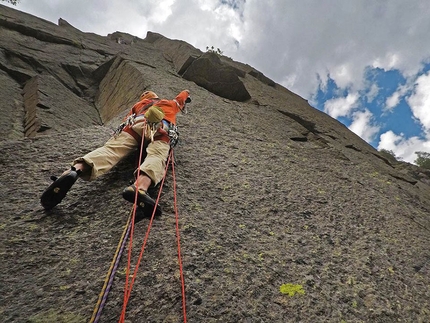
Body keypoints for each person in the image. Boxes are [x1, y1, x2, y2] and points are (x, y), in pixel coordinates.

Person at [40, 90, 191, 214]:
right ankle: (139, 188)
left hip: (134, 126)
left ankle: (73, 171)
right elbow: (180, 99)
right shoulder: (167, 103)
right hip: (159, 126)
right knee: (157, 155)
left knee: (110, 151)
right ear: (155, 97)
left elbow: (125, 121)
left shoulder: (138, 106)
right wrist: (186, 94)